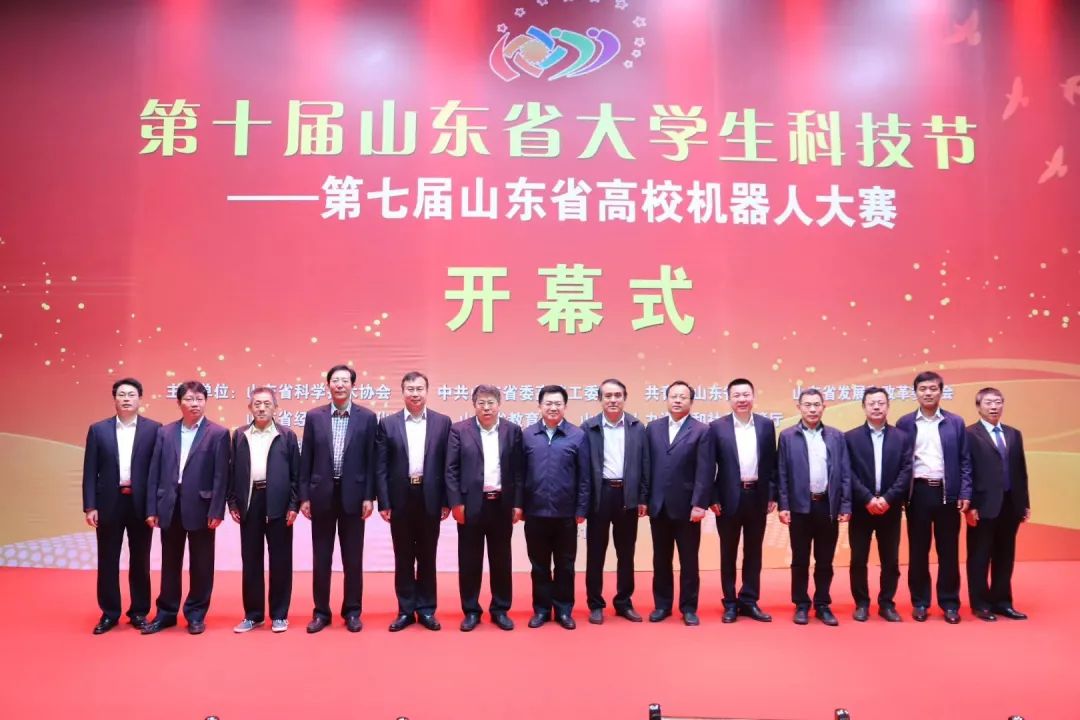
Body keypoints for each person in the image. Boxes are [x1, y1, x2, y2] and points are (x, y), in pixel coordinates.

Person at [143, 381, 230, 635]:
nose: (195, 404)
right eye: (189, 399)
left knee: (202, 564)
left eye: (199, 399)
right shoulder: (165, 432)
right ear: (179, 402)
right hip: (169, 505)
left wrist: (217, 510)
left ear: (205, 402)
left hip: (202, 507)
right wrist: (152, 507)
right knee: (170, 562)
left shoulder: (218, 433)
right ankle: (166, 613)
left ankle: (196, 613)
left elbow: (221, 476)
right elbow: (154, 472)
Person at [299, 364, 377, 633]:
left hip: (354, 496)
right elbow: (306, 457)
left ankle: (352, 611)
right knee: (321, 558)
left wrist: (369, 496)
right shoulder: (314, 416)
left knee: (353, 559)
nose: (340, 385)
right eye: (335, 380)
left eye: (345, 380)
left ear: (353, 385)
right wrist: (304, 496)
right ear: (328, 385)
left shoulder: (367, 417)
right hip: (321, 495)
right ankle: (321, 612)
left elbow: (371, 460)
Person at [82, 378, 161, 634]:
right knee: (108, 559)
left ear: (140, 399)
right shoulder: (98, 430)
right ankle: (109, 613)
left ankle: (139, 611)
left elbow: (157, 472)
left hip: (140, 504)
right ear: (114, 399)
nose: (126, 399)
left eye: (131, 394)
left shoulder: (154, 429)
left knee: (141, 559)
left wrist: (154, 507)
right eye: (122, 394)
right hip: (109, 503)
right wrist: (90, 506)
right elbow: (90, 470)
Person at [376, 371, 452, 632]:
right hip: (400, 498)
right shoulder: (388, 424)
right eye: (410, 389)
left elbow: (448, 465)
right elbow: (381, 467)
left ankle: (427, 609)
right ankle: (406, 610)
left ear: (427, 391)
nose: (415, 394)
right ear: (403, 392)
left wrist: (446, 500)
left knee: (428, 556)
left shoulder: (443, 422)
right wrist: (384, 502)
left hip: (431, 497)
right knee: (404, 556)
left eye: (419, 389)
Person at [445, 385, 524, 632]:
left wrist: (518, 503)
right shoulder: (459, 430)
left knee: (501, 560)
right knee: (470, 560)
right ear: (474, 405)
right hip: (470, 505)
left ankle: (500, 609)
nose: (486, 408)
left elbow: (519, 471)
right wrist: (456, 503)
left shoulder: (512, 431)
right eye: (481, 403)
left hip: (501, 504)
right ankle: (471, 610)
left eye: (491, 403)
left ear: (499, 404)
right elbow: (451, 470)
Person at [896, 371, 972, 624]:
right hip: (917, 492)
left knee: (948, 551)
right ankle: (920, 602)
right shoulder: (905, 423)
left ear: (941, 391)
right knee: (918, 551)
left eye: (933, 389)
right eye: (923, 389)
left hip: (947, 493)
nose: (928, 393)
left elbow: (965, 460)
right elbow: (900, 462)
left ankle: (950, 603)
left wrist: (965, 491)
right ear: (915, 392)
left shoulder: (955, 422)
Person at [704, 378, 777, 624]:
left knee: (754, 552)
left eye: (746, 394)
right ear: (729, 399)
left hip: (757, 496)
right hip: (727, 500)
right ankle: (730, 602)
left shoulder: (766, 425)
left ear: (753, 396)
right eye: (737, 395)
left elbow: (772, 463)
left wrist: (772, 494)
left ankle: (749, 600)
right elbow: (709, 466)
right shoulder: (717, 427)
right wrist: (712, 497)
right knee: (728, 552)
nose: (742, 399)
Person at [777, 388, 852, 626]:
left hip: (827, 506)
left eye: (816, 405)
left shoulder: (836, 436)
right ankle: (801, 604)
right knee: (800, 559)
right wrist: (783, 505)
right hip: (799, 507)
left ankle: (822, 604)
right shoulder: (787, 436)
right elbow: (782, 473)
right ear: (799, 407)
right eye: (807, 405)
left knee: (825, 559)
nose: (812, 409)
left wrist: (845, 504)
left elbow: (845, 473)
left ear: (824, 407)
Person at [228, 387, 300, 633]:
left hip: (278, 503)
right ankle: (253, 614)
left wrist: (293, 505)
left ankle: (279, 615)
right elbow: (231, 472)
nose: (261, 408)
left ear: (275, 408)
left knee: (280, 561)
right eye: (257, 403)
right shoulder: (240, 435)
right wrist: (233, 502)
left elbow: (296, 475)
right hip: (250, 502)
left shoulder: (286, 435)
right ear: (250, 407)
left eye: (267, 404)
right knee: (251, 560)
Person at [643, 381, 713, 626]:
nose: (678, 400)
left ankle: (689, 607)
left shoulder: (702, 430)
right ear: (666, 399)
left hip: (687, 508)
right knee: (661, 559)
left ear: (691, 402)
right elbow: (646, 466)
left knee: (689, 560)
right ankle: (662, 605)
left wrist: (699, 503)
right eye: (674, 396)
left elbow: (705, 470)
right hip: (658, 506)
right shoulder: (653, 428)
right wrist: (645, 499)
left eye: (683, 397)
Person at [521, 385, 591, 630]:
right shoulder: (527, 435)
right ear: (539, 406)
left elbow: (584, 477)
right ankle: (541, 610)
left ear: (565, 406)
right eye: (548, 403)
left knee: (565, 565)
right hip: (535, 513)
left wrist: (581, 509)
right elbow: (519, 475)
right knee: (539, 566)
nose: (553, 408)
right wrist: (519, 506)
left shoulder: (578, 435)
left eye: (558, 403)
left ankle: (563, 610)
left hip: (565, 514)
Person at [581, 378, 649, 624]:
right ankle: (595, 604)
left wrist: (642, 497)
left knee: (626, 553)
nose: (613, 400)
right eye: (608, 396)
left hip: (627, 496)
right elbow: (582, 469)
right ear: (600, 399)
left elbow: (645, 465)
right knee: (595, 553)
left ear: (624, 398)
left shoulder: (637, 427)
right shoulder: (588, 428)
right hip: (600, 496)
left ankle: (623, 602)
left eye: (617, 395)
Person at [844, 387, 912, 622]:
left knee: (890, 560)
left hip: (890, 508)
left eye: (881, 403)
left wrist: (887, 498)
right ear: (863, 407)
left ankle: (887, 603)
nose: (876, 407)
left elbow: (906, 471)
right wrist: (867, 498)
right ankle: (862, 603)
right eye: (871, 403)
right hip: (861, 508)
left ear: (888, 406)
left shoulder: (902, 437)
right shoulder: (850, 438)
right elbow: (848, 472)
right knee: (858, 559)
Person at [964, 387, 1031, 622]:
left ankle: (1002, 602)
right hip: (982, 505)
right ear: (978, 406)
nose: (994, 407)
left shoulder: (1013, 434)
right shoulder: (969, 434)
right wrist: (969, 505)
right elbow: (966, 471)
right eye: (988, 403)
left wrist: (1024, 502)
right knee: (979, 556)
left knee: (1005, 556)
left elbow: (1021, 471)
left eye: (998, 402)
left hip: (1010, 504)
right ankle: (980, 604)